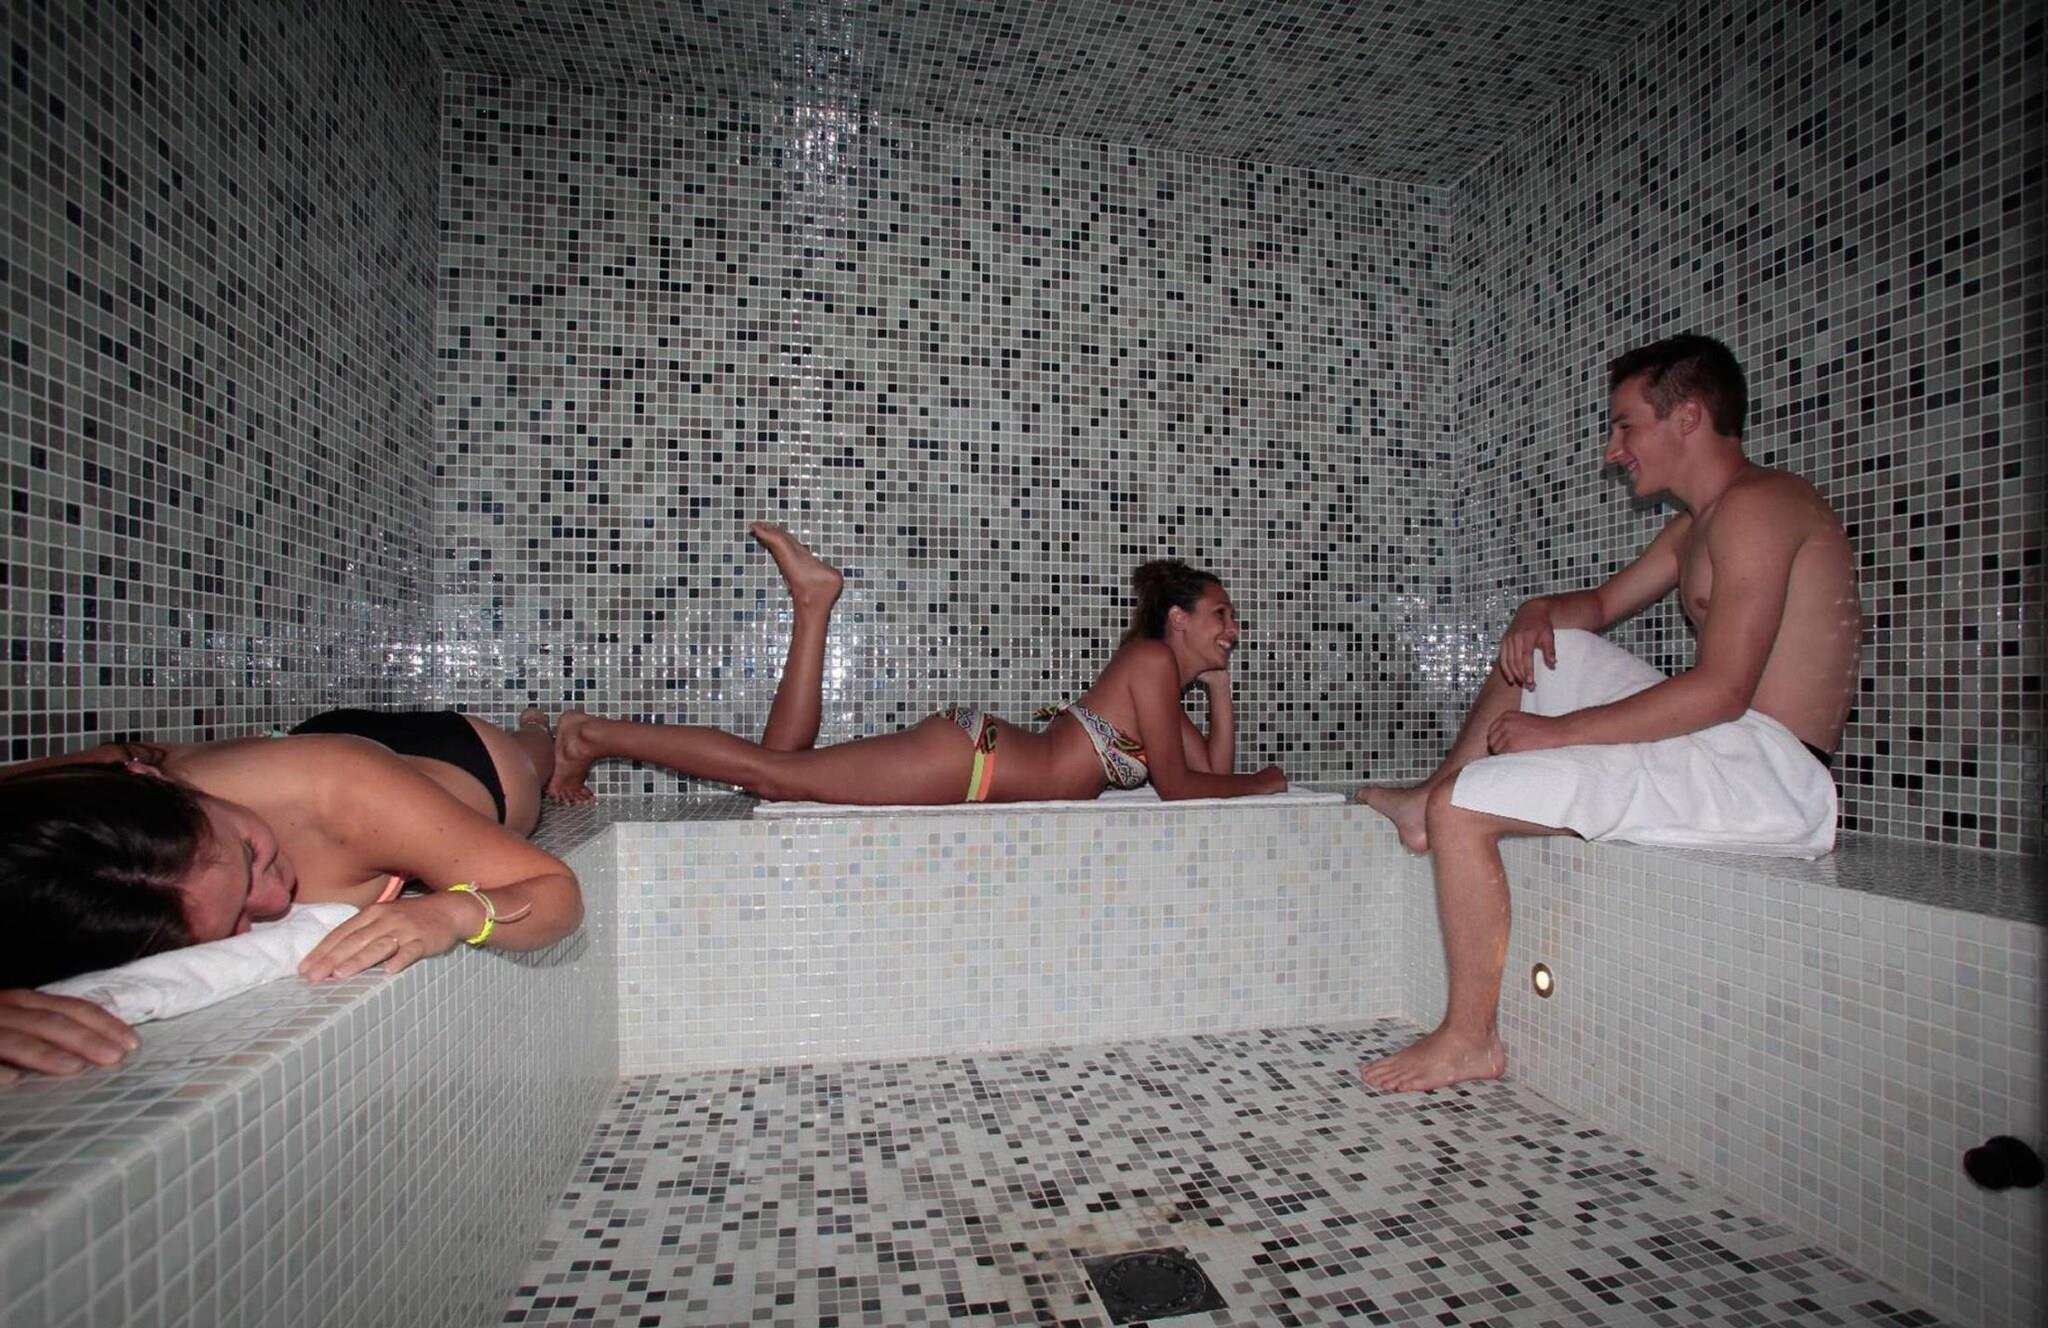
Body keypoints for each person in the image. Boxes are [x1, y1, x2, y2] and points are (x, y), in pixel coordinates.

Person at [1356, 334, 1860, 1093]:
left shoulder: (1760, 507)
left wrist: (1556, 734)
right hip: (1726, 744)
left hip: (1769, 775)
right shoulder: (1699, 524)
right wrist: (1535, 610)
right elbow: (1593, 609)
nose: (1612, 450)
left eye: (1626, 425)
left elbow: (1722, 689)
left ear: (1688, 417)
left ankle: (1469, 1038)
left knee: (1467, 809)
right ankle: (1427, 799)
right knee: (1551, 647)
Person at [0, 707, 584, 1083]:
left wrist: (456, 911)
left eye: (249, 853)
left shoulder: (342, 793)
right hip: (310, 749)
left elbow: (556, 893)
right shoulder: (70, 795)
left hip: (459, 762)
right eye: (238, 918)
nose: (276, 899)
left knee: (526, 764)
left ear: (160, 784)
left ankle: (547, 730)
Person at [549, 523, 1288, 807]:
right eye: (1221, 615)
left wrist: (1220, 690)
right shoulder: (1151, 661)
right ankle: (592, 735)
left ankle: (813, 603)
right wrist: (1264, 780)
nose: (1233, 628)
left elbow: (1206, 775)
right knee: (770, 776)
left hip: (977, 759)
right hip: (972, 762)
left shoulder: (1162, 693)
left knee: (776, 772)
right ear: (1179, 620)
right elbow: (1184, 789)